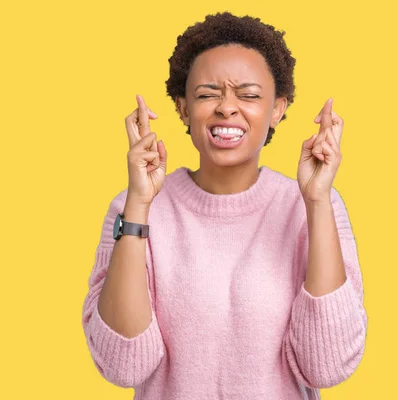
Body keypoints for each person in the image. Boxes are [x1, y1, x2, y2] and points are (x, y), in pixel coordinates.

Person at [81, 12, 367, 400]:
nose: (227, 108)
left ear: (277, 109)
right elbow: (123, 365)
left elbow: (327, 365)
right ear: (183, 108)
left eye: (248, 95)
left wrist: (316, 202)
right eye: (206, 94)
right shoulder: (133, 208)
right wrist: (138, 204)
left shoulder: (314, 205)